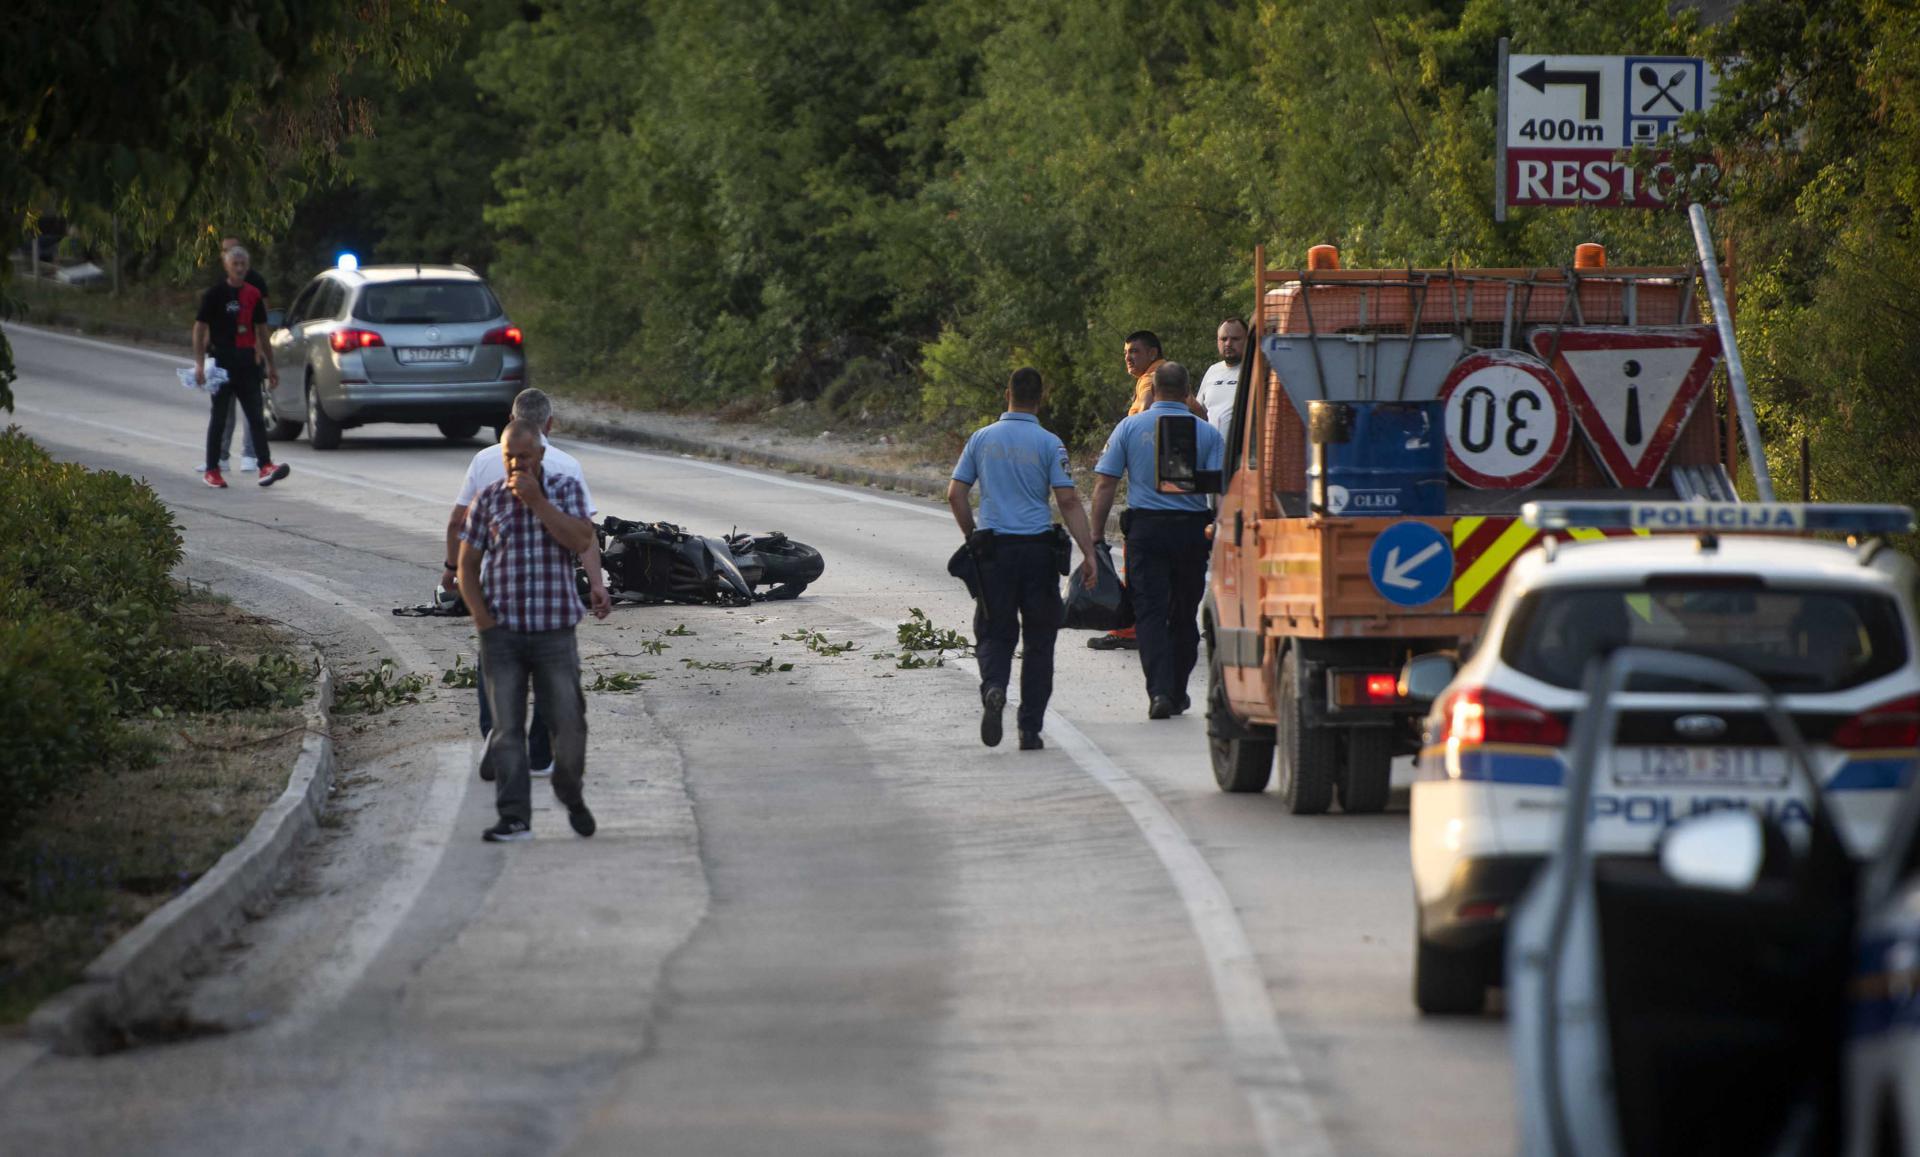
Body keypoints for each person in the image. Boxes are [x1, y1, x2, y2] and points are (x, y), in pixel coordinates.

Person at [441, 387, 609, 778]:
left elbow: (457, 521)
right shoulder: (567, 467)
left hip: (497, 587)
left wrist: (451, 568)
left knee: (495, 665)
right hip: (551, 593)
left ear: (511, 419)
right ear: (549, 425)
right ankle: (537, 753)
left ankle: (494, 734)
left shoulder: (485, 460)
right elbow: (586, 536)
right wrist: (597, 584)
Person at [949, 368, 1099, 751]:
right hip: (1037, 553)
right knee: (1039, 640)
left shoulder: (981, 439)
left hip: (994, 550)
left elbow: (956, 494)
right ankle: (1029, 729)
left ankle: (995, 686)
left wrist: (972, 537)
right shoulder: (1050, 443)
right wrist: (1089, 552)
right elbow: (1067, 500)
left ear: (1007, 394)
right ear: (1042, 397)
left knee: (994, 630)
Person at [1089, 361, 1224, 719]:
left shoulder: (1130, 427)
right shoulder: (1207, 433)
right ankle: (1177, 688)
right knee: (1183, 612)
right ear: (1187, 392)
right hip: (1191, 532)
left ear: (1153, 389)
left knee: (1149, 612)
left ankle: (1160, 692)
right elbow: (1223, 490)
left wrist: (1095, 536)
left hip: (1147, 532)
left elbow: (1105, 483)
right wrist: (1223, 531)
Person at [1091, 329, 1206, 652]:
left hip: (1151, 490)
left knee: (1141, 564)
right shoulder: (1167, 375)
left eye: (1135, 352)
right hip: (1182, 491)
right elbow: (1199, 411)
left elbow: (1144, 407)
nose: (1128, 357)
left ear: (1153, 352)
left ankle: (1129, 630)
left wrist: (1138, 438)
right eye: (1126, 352)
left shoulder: (1150, 379)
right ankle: (1169, 626)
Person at [193, 245, 289, 488]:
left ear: (247, 266)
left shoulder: (253, 294)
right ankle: (212, 469)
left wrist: (271, 365)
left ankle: (265, 465)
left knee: (256, 416)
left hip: (247, 362)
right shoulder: (214, 294)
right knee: (220, 417)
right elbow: (200, 327)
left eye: (243, 265)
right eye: (234, 264)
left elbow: (262, 330)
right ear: (226, 266)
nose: (239, 269)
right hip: (222, 362)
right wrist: (200, 364)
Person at [1195, 317, 1248, 444]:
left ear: (1248, 340)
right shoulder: (1213, 370)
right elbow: (1200, 412)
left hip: (1241, 455)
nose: (1228, 344)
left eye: (1235, 339)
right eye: (1224, 339)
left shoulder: (1255, 371)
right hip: (1211, 451)